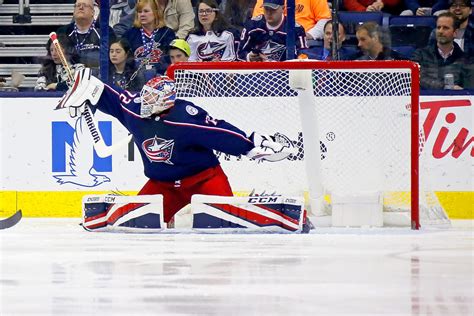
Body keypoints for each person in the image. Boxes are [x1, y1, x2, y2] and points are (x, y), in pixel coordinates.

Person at [59, 68, 293, 225]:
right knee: (136, 224)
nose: (145, 101)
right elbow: (113, 96)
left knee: (224, 223)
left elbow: (219, 132)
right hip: (163, 185)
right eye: (146, 95)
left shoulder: (184, 119)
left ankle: (269, 209)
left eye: (152, 98)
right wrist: (88, 88)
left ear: (166, 101)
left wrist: (250, 145)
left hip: (204, 180)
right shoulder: (134, 110)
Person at [411, 12, 473, 90]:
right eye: (438, 27)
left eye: (445, 28)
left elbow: (469, 89)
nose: (440, 31)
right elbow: (415, 77)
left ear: (455, 33)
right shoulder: (420, 55)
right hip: (424, 100)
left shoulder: (466, 60)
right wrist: (445, 87)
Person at [56, 0, 116, 72]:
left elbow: (112, 59)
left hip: (97, 77)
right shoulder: (63, 32)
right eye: (78, 5)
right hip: (69, 77)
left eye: (85, 5)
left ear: (93, 12)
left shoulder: (105, 31)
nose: (81, 7)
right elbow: (55, 58)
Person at [239, 0, 308, 61]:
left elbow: (303, 57)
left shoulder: (295, 29)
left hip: (284, 72)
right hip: (256, 72)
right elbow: (239, 53)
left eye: (273, 10)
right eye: (266, 9)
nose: (269, 13)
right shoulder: (252, 26)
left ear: (283, 8)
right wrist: (249, 57)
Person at [122, 0, 176, 77]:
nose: (142, 14)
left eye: (146, 11)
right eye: (139, 12)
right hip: (136, 78)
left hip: (162, 76)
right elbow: (125, 61)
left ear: (155, 12)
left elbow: (171, 59)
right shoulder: (129, 34)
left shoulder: (167, 33)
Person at [114, 0, 195, 39]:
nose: (142, 13)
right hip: (148, 41)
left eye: (146, 11)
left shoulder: (182, 1)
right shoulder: (146, 2)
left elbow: (187, 26)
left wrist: (173, 43)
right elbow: (128, 23)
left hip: (176, 41)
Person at [252, 0, 330, 40]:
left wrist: (310, 35)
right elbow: (255, 22)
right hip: (270, 41)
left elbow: (325, 20)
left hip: (305, 42)